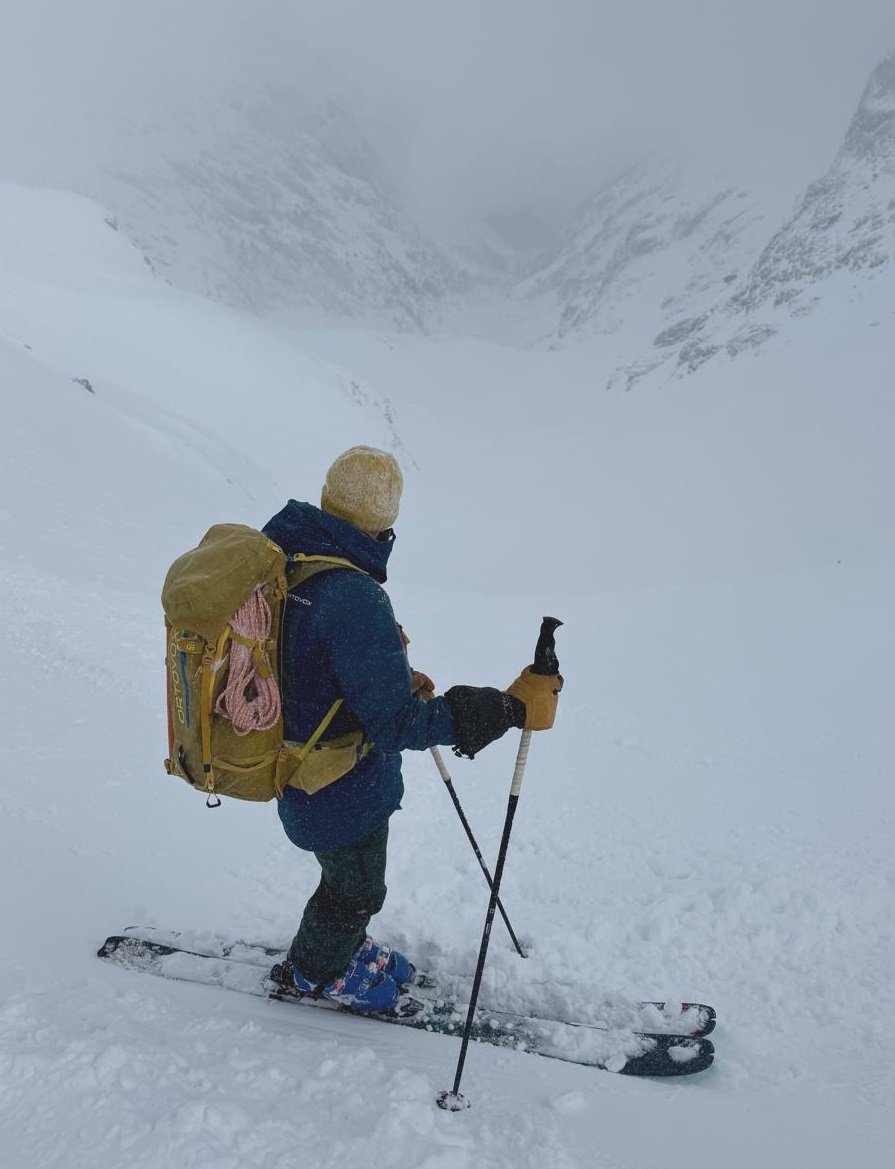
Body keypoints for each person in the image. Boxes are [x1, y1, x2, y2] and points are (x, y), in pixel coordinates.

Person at [262, 445, 561, 1012]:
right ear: (385, 520)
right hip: (339, 785)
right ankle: (316, 971)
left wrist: (382, 679)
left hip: (294, 767)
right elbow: (399, 725)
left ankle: (339, 947)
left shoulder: (286, 558)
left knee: (345, 880)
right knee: (354, 889)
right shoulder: (353, 595)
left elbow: (310, 664)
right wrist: (505, 708)